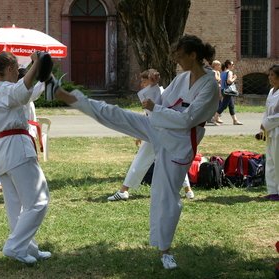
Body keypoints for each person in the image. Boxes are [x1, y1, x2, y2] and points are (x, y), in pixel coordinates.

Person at [50, 34, 218, 269]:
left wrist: (155, 106)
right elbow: (162, 102)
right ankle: (69, 97)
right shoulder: (183, 78)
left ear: (193, 55)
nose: (177, 61)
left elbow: (188, 119)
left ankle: (165, 250)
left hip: (179, 142)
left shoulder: (210, 86)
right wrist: (152, 87)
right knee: (117, 114)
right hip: (159, 126)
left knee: (166, 195)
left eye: (180, 56)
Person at [0, 51, 50, 264]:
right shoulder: (4, 90)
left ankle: (28, 249)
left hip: (5, 149)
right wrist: (35, 64)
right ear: (11, 69)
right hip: (15, 148)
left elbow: (28, 93)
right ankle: (14, 247)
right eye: (17, 68)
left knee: (17, 206)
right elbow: (22, 92)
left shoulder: (2, 91)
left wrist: (41, 72)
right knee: (38, 201)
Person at [108, 69, 194, 201]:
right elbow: (149, 115)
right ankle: (188, 190)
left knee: (143, 160)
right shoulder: (155, 92)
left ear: (152, 80)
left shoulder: (157, 92)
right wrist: (140, 133)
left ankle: (124, 190)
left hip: (158, 132)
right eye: (141, 81)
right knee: (173, 160)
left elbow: (156, 113)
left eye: (144, 81)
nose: (142, 84)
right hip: (158, 131)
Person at [258, 64, 279, 201]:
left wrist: (266, 123)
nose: (270, 77)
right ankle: (273, 191)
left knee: (278, 160)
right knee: (270, 160)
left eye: (272, 75)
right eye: (269, 75)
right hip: (270, 131)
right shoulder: (271, 91)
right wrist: (263, 128)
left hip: (277, 129)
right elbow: (267, 112)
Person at [212, 60, 243, 125]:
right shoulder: (229, 72)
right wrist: (234, 78)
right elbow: (229, 81)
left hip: (224, 90)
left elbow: (221, 82)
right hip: (228, 91)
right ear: (228, 65)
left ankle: (235, 120)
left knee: (231, 106)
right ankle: (214, 119)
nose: (233, 65)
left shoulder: (222, 72)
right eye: (232, 64)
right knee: (223, 106)